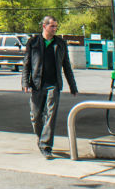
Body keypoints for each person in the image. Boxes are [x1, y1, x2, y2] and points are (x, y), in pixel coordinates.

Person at [23, 15, 78, 158]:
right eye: (52, 26)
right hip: (37, 84)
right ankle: (41, 138)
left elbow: (66, 65)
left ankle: (46, 146)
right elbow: (27, 64)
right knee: (35, 117)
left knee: (51, 115)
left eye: (56, 26)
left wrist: (72, 85)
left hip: (53, 85)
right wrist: (25, 82)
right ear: (44, 26)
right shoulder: (33, 42)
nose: (55, 29)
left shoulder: (60, 43)